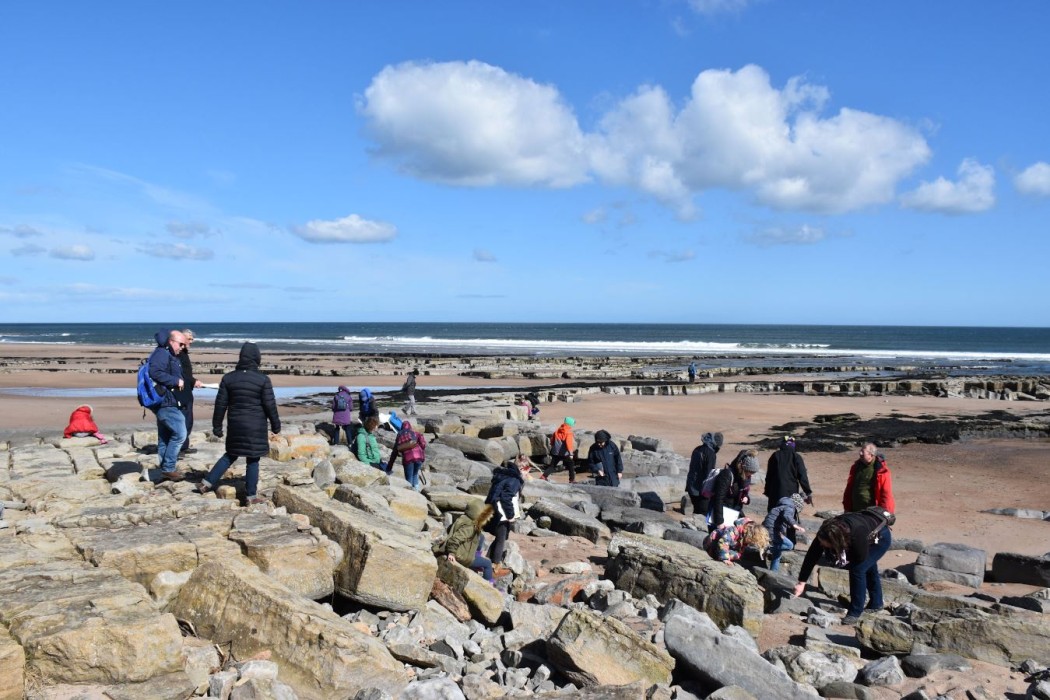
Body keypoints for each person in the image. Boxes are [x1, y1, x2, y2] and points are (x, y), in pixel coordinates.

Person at [197, 342, 281, 505]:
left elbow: (220, 404)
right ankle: (250, 496)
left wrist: (217, 426)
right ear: (257, 359)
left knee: (230, 454)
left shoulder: (228, 378)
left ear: (241, 358)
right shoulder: (263, 380)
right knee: (253, 459)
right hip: (255, 425)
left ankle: (206, 483)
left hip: (236, 424)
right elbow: (270, 405)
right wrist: (276, 425)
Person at [792, 510, 893, 625]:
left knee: (858, 569)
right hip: (865, 534)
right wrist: (802, 582)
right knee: (869, 567)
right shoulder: (825, 532)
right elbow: (811, 556)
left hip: (880, 537)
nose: (821, 545)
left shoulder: (856, 532)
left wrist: (842, 560)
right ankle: (876, 603)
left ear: (835, 541)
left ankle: (855, 612)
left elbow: (860, 557)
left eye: (824, 543)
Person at [148, 329, 188, 482]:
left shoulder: (166, 353)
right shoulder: (162, 353)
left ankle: (165, 469)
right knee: (180, 434)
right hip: (165, 402)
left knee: (165, 437)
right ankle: (169, 468)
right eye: (181, 344)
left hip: (165, 401)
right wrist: (176, 381)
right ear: (172, 341)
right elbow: (155, 372)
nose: (182, 347)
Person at [434, 500, 496, 584]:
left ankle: (475, 555)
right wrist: (452, 553)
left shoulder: (463, 519)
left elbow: (450, 530)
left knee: (481, 536)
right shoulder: (470, 527)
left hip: (460, 551)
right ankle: (489, 584)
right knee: (488, 564)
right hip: (461, 556)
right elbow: (455, 539)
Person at [485, 455, 530, 565]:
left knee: (501, 536)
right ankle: (495, 564)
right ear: (521, 469)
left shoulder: (504, 474)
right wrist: (510, 515)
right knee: (501, 537)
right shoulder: (514, 479)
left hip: (492, 506)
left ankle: (488, 558)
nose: (528, 474)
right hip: (501, 511)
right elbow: (506, 498)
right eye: (527, 471)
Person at [708, 449, 760, 529]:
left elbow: (743, 492)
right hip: (721, 515)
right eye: (750, 472)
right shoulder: (727, 475)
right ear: (743, 468)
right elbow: (718, 499)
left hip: (733, 513)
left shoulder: (744, 477)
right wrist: (719, 522)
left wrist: (746, 498)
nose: (751, 475)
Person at [174, 328, 204, 455]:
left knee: (188, 420)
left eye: (192, 339)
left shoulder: (184, 353)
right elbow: (181, 374)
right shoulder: (178, 354)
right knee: (184, 420)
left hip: (186, 390)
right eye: (189, 339)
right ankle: (180, 448)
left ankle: (184, 446)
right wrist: (193, 381)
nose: (191, 342)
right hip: (181, 391)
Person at [764, 436, 814, 512]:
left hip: (775, 491)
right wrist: (808, 492)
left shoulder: (775, 455)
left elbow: (769, 476)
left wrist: (767, 491)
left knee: (773, 513)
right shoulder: (796, 457)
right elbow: (802, 476)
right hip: (791, 491)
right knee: (788, 513)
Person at [843, 443, 896, 513]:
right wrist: (847, 506)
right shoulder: (856, 467)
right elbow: (849, 487)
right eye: (860, 450)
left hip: (871, 511)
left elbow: (886, 492)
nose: (860, 453)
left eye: (863, 451)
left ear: (871, 454)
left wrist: (885, 512)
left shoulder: (881, 470)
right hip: (855, 509)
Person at [762, 493, 806, 571]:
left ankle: (773, 573)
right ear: (796, 505)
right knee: (789, 545)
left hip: (770, 528)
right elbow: (787, 516)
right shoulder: (789, 507)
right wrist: (794, 525)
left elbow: (781, 522)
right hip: (772, 529)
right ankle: (768, 548)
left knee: (777, 553)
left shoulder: (783, 505)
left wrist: (782, 533)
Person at [685, 432, 723, 518]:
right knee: (703, 514)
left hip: (691, 486)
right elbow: (709, 474)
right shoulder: (710, 454)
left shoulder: (697, 449)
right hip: (701, 490)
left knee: (696, 510)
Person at [703, 518, 770, 566]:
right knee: (731, 554)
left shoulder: (744, 535)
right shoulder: (733, 530)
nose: (751, 543)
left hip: (727, 546)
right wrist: (725, 559)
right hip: (712, 543)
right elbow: (723, 542)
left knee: (738, 555)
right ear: (750, 535)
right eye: (752, 541)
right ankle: (719, 558)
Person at [388, 420, 427, 489]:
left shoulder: (400, 435)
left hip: (408, 459)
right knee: (415, 474)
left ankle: (411, 493)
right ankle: (417, 491)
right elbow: (423, 445)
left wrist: (389, 467)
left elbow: (394, 452)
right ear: (410, 427)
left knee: (408, 479)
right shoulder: (416, 434)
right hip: (419, 457)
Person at [541, 417, 577, 483]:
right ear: (570, 424)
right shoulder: (568, 432)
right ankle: (572, 480)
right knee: (571, 465)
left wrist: (552, 446)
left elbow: (552, 441)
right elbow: (568, 443)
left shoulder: (557, 430)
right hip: (564, 453)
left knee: (552, 466)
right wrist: (571, 453)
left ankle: (543, 476)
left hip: (555, 452)